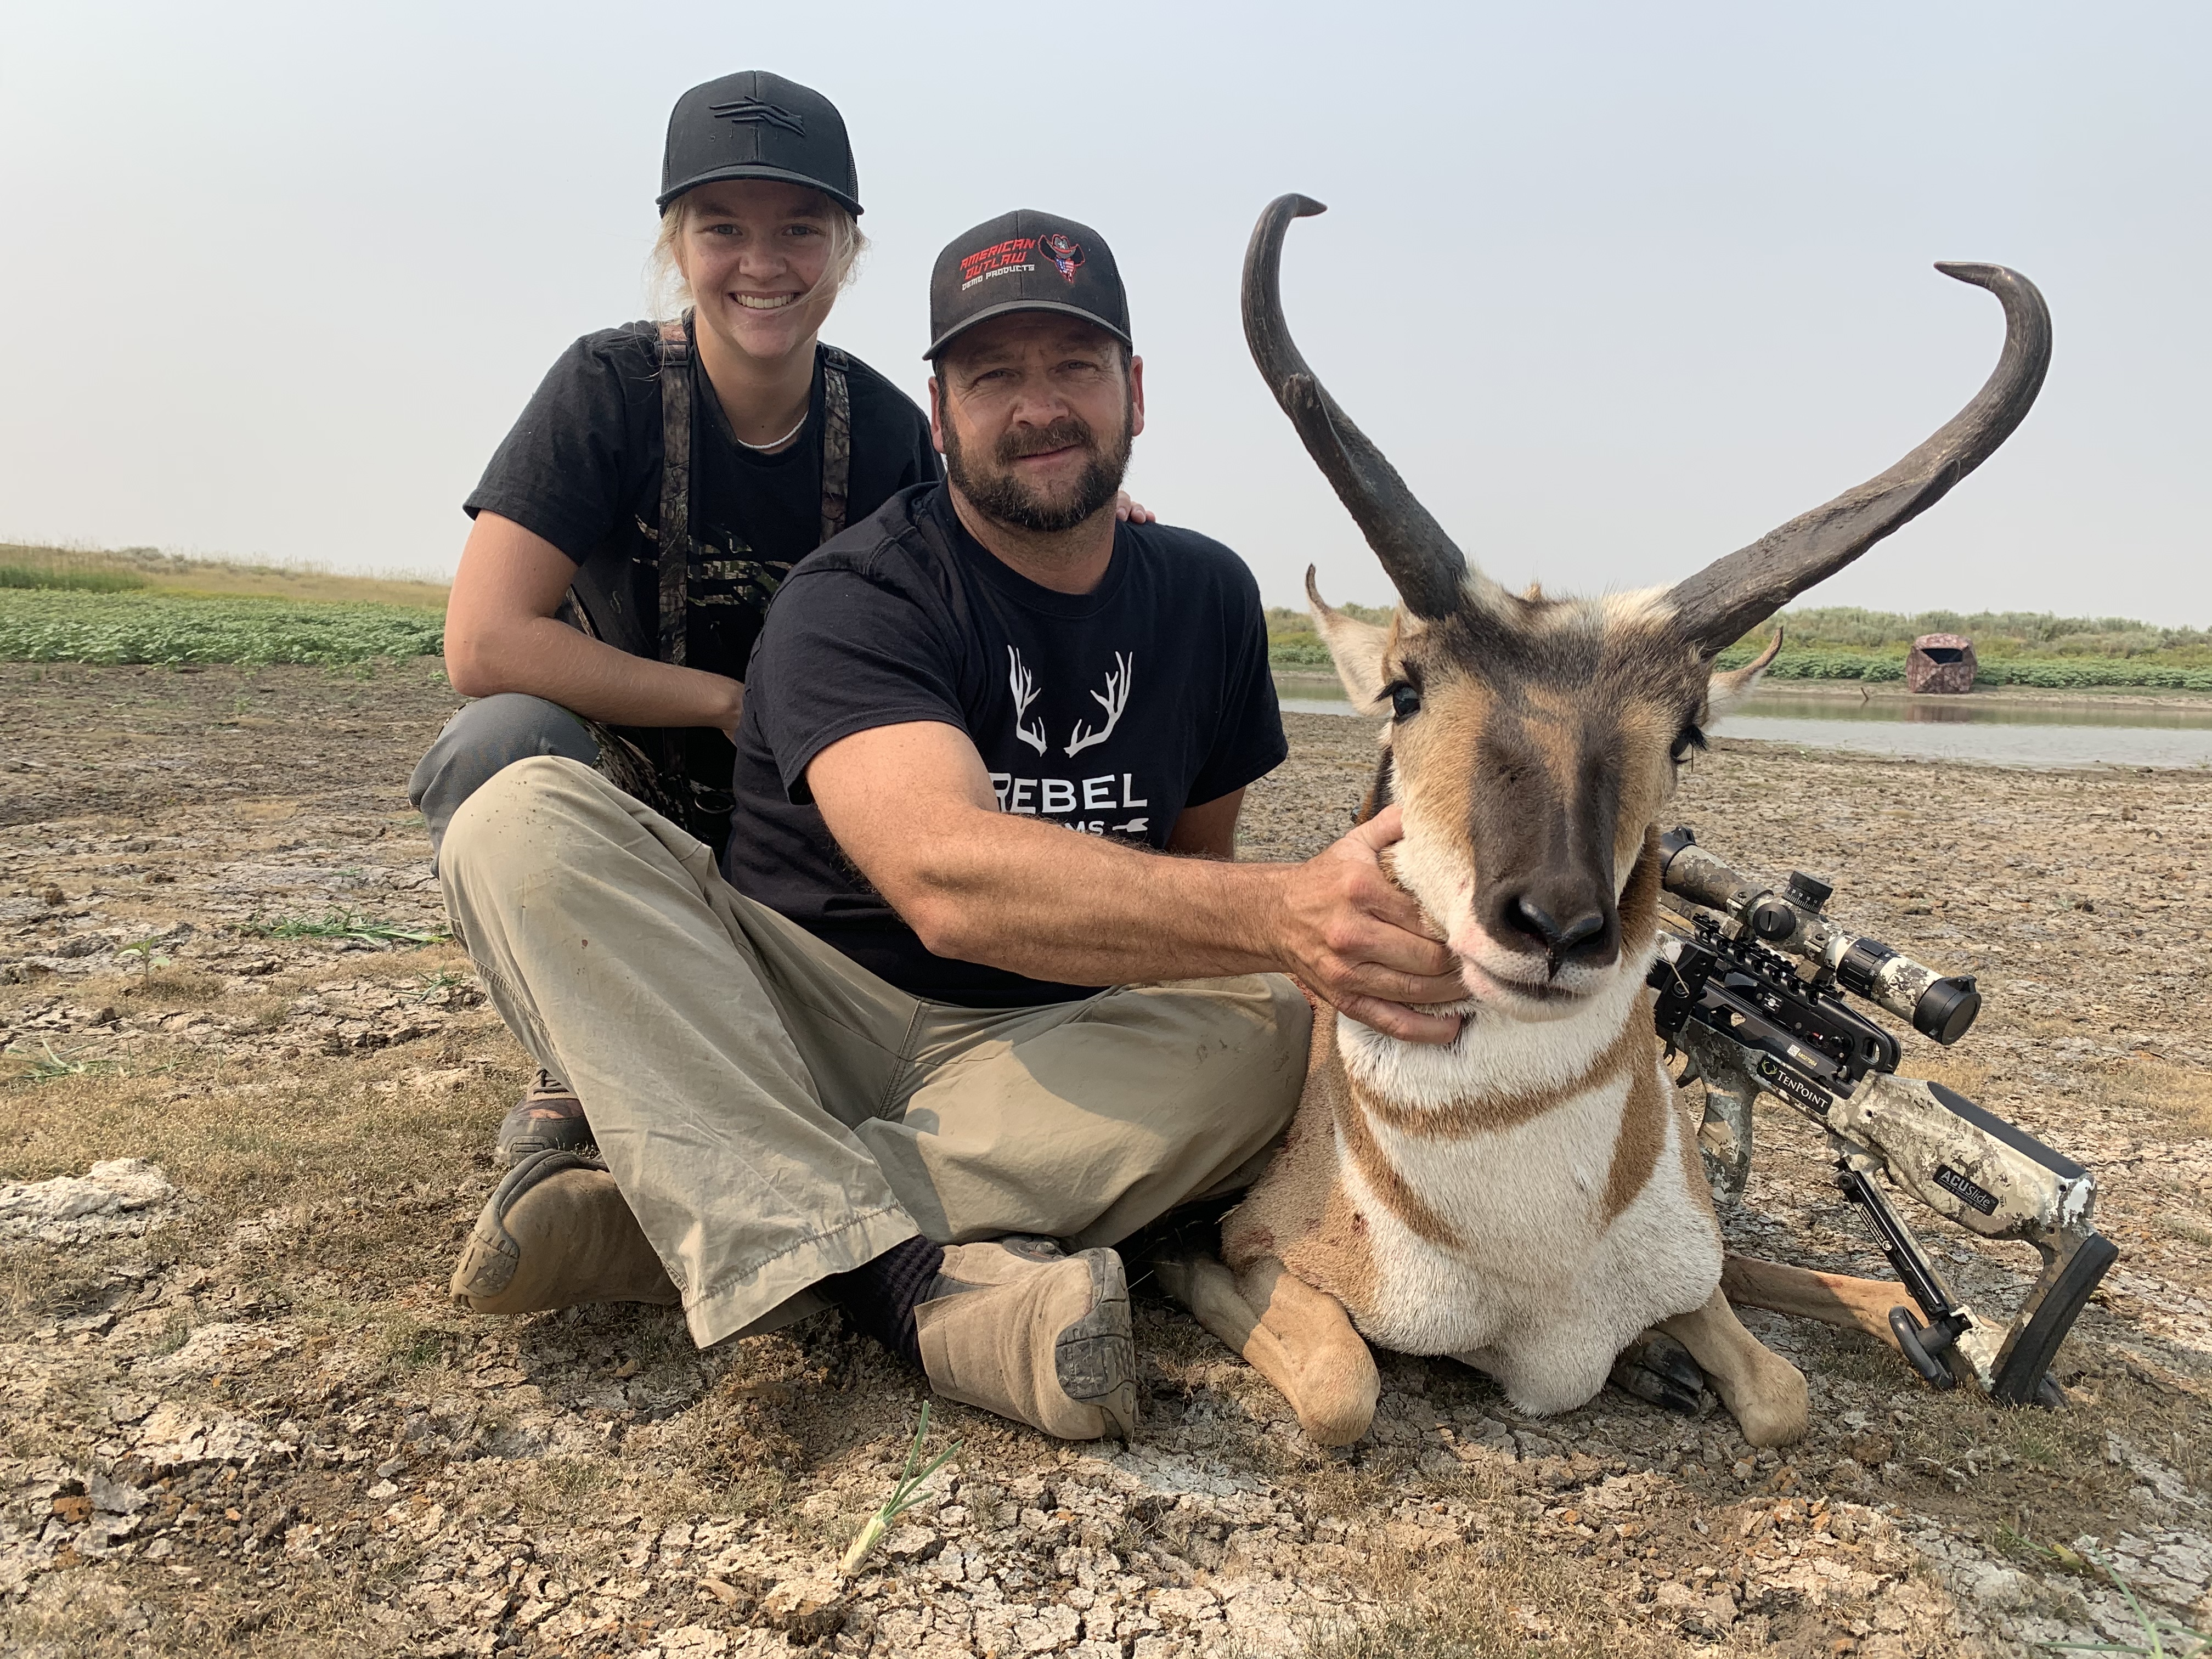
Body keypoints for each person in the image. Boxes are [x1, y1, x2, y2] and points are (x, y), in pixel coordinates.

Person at [437, 211, 1464, 1442]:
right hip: (794, 1017)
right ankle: (895, 1283)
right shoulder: (857, 596)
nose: (1040, 408)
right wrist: (1292, 912)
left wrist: (1330, 944)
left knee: (1278, 1024)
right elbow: (944, 879)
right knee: (519, 820)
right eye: (995, 377)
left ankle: (698, 1209)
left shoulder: (1208, 599)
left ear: (1134, 391)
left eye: (1074, 368)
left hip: (1048, 1041)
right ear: (939, 417)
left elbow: (1198, 884)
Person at [413, 72, 1138, 1167]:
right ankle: (581, 1061)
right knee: (500, 748)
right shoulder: (605, 390)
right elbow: (484, 642)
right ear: (676, 244)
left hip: (807, 824)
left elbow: (985, 561)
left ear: (845, 249)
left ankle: (859, 1045)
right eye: (723, 229)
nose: (763, 264)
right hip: (635, 802)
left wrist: (1081, 502)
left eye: (801, 229)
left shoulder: (895, 430)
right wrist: (721, 703)